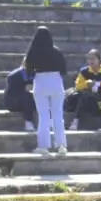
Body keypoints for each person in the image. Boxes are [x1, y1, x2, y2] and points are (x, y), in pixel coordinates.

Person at [24, 26, 67, 156]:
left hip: (41, 81)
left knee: (43, 116)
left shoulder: (32, 52)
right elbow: (64, 70)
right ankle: (61, 146)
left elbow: (28, 71)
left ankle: (43, 146)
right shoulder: (57, 51)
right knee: (58, 116)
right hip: (56, 81)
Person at [65, 48, 101, 131]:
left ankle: (75, 121)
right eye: (89, 59)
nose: (90, 61)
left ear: (99, 59)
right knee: (83, 95)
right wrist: (87, 84)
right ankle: (75, 121)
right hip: (87, 100)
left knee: (85, 96)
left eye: (93, 58)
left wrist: (99, 84)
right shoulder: (84, 71)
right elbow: (78, 86)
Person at [4, 64, 36, 132]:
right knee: (28, 97)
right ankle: (28, 122)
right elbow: (14, 93)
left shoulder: (33, 73)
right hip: (12, 103)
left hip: (22, 100)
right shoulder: (15, 75)